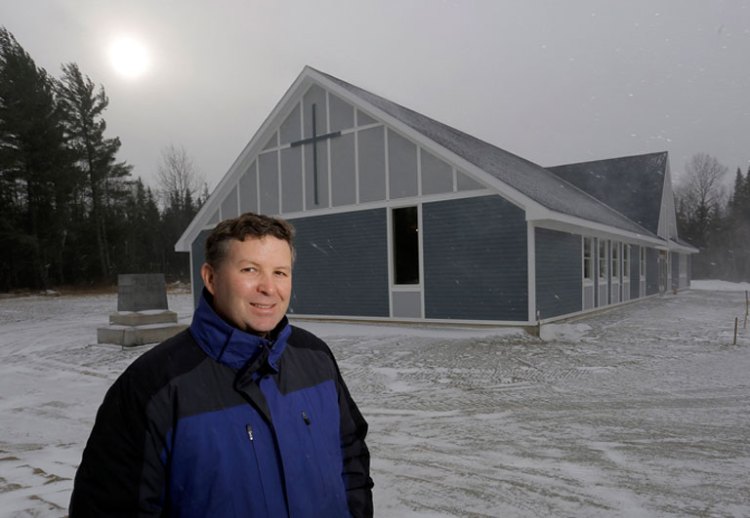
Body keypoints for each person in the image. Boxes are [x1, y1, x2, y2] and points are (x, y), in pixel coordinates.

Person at [70, 212, 373, 517]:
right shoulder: (153, 386)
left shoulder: (315, 358)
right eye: (250, 270)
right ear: (211, 278)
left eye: (280, 272)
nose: (269, 288)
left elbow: (351, 456)